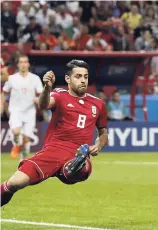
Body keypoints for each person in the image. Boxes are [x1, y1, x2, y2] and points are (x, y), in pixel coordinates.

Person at [1, 60, 108, 207]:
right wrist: (47, 88)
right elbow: (43, 105)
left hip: (76, 153)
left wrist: (98, 146)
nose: (83, 80)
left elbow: (103, 133)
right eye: (78, 76)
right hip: (52, 152)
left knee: (81, 168)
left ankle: (76, 164)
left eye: (85, 76)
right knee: (14, 183)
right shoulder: (59, 95)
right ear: (67, 79)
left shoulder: (98, 104)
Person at [1, 54, 43, 160]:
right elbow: (4, 93)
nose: (23, 64)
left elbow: (41, 96)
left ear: (28, 64)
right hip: (15, 110)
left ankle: (23, 160)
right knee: (16, 132)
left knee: (26, 139)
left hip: (30, 111)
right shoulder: (11, 79)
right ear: (18, 64)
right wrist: (1, 104)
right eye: (21, 62)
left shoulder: (35, 79)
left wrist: (37, 100)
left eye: (25, 62)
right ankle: (16, 144)